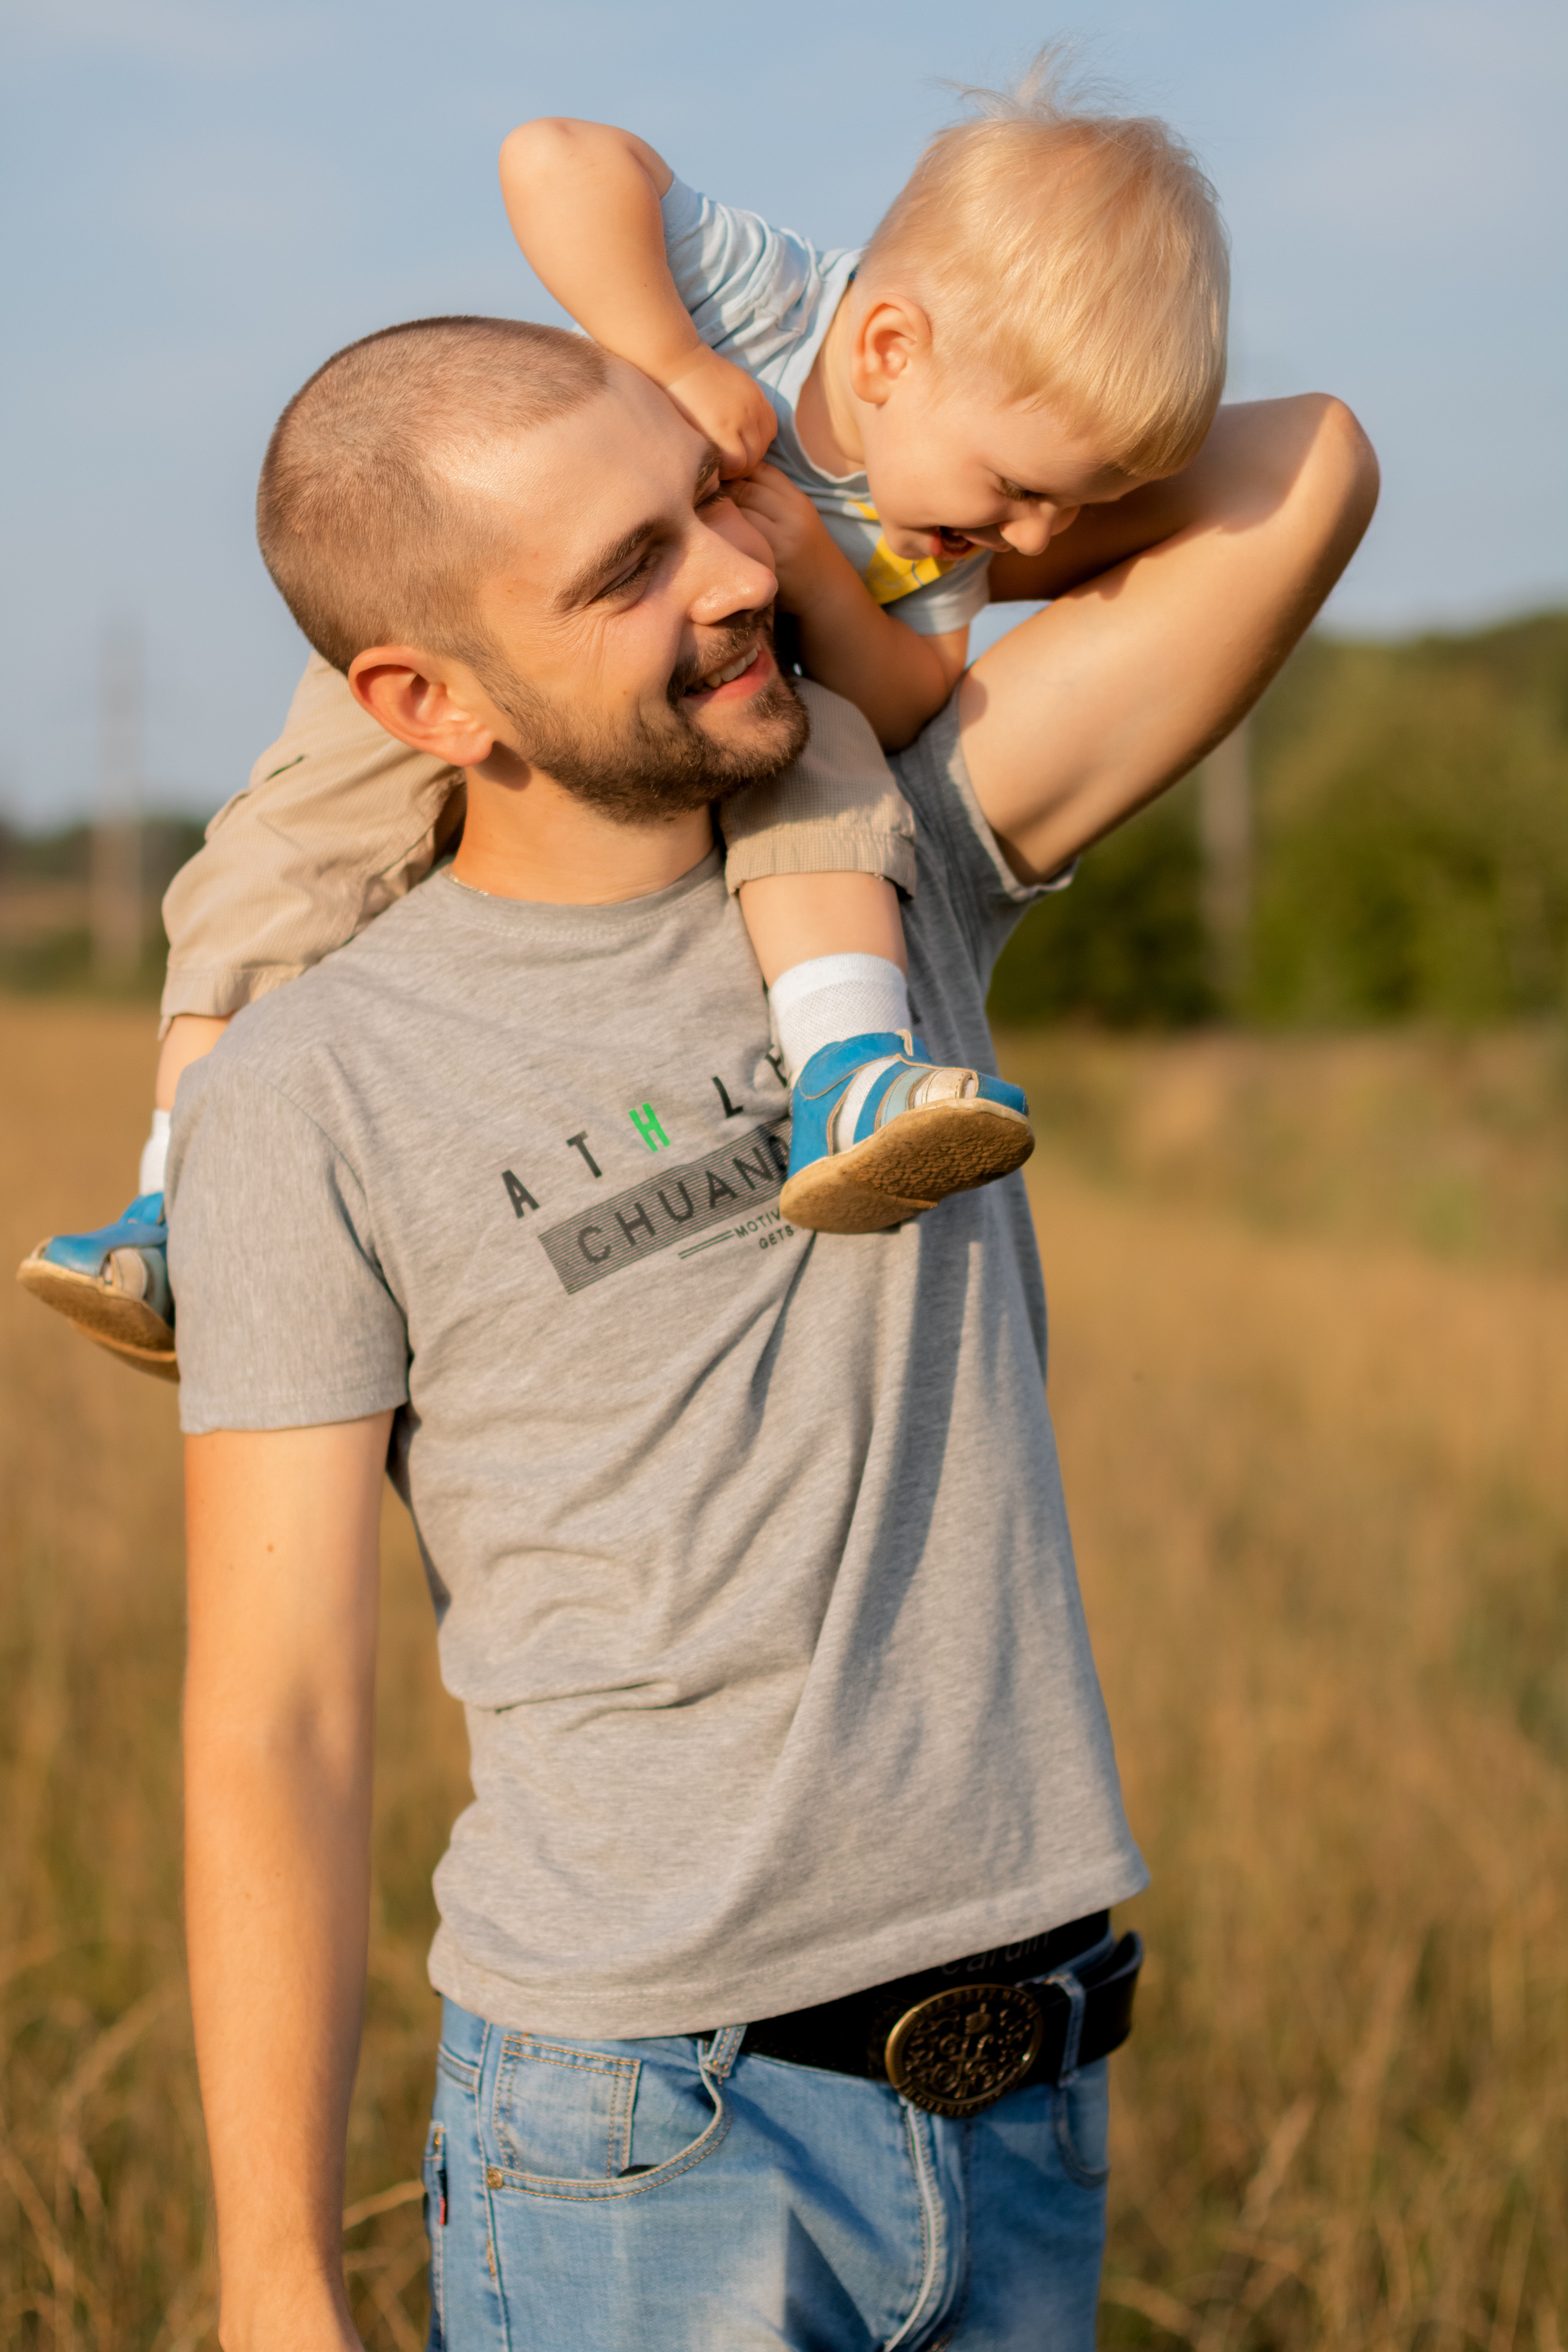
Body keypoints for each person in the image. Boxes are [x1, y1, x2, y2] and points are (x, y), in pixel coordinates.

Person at [173, 314, 1376, 2348]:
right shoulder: (313, 1089)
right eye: (622, 569)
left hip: (1030, 2103)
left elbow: (1310, 467)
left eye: (704, 506)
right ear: (420, 701)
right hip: (638, 2149)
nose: (730, 577)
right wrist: (274, 2279)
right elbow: (272, 1716)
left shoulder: (908, 852)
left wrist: (802, 454)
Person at [18, 56, 1230, 1371]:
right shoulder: (774, 310)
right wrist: (665, 351)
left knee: (829, 764)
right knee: (276, 858)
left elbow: (908, 696)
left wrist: (821, 574)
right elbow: (556, 159)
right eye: (1018, 489)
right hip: (504, 632)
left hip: (723, 705)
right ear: (887, 348)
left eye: (1066, 510)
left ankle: (850, 1075)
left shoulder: (947, 530)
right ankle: (172, 1199)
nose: (1033, 537)